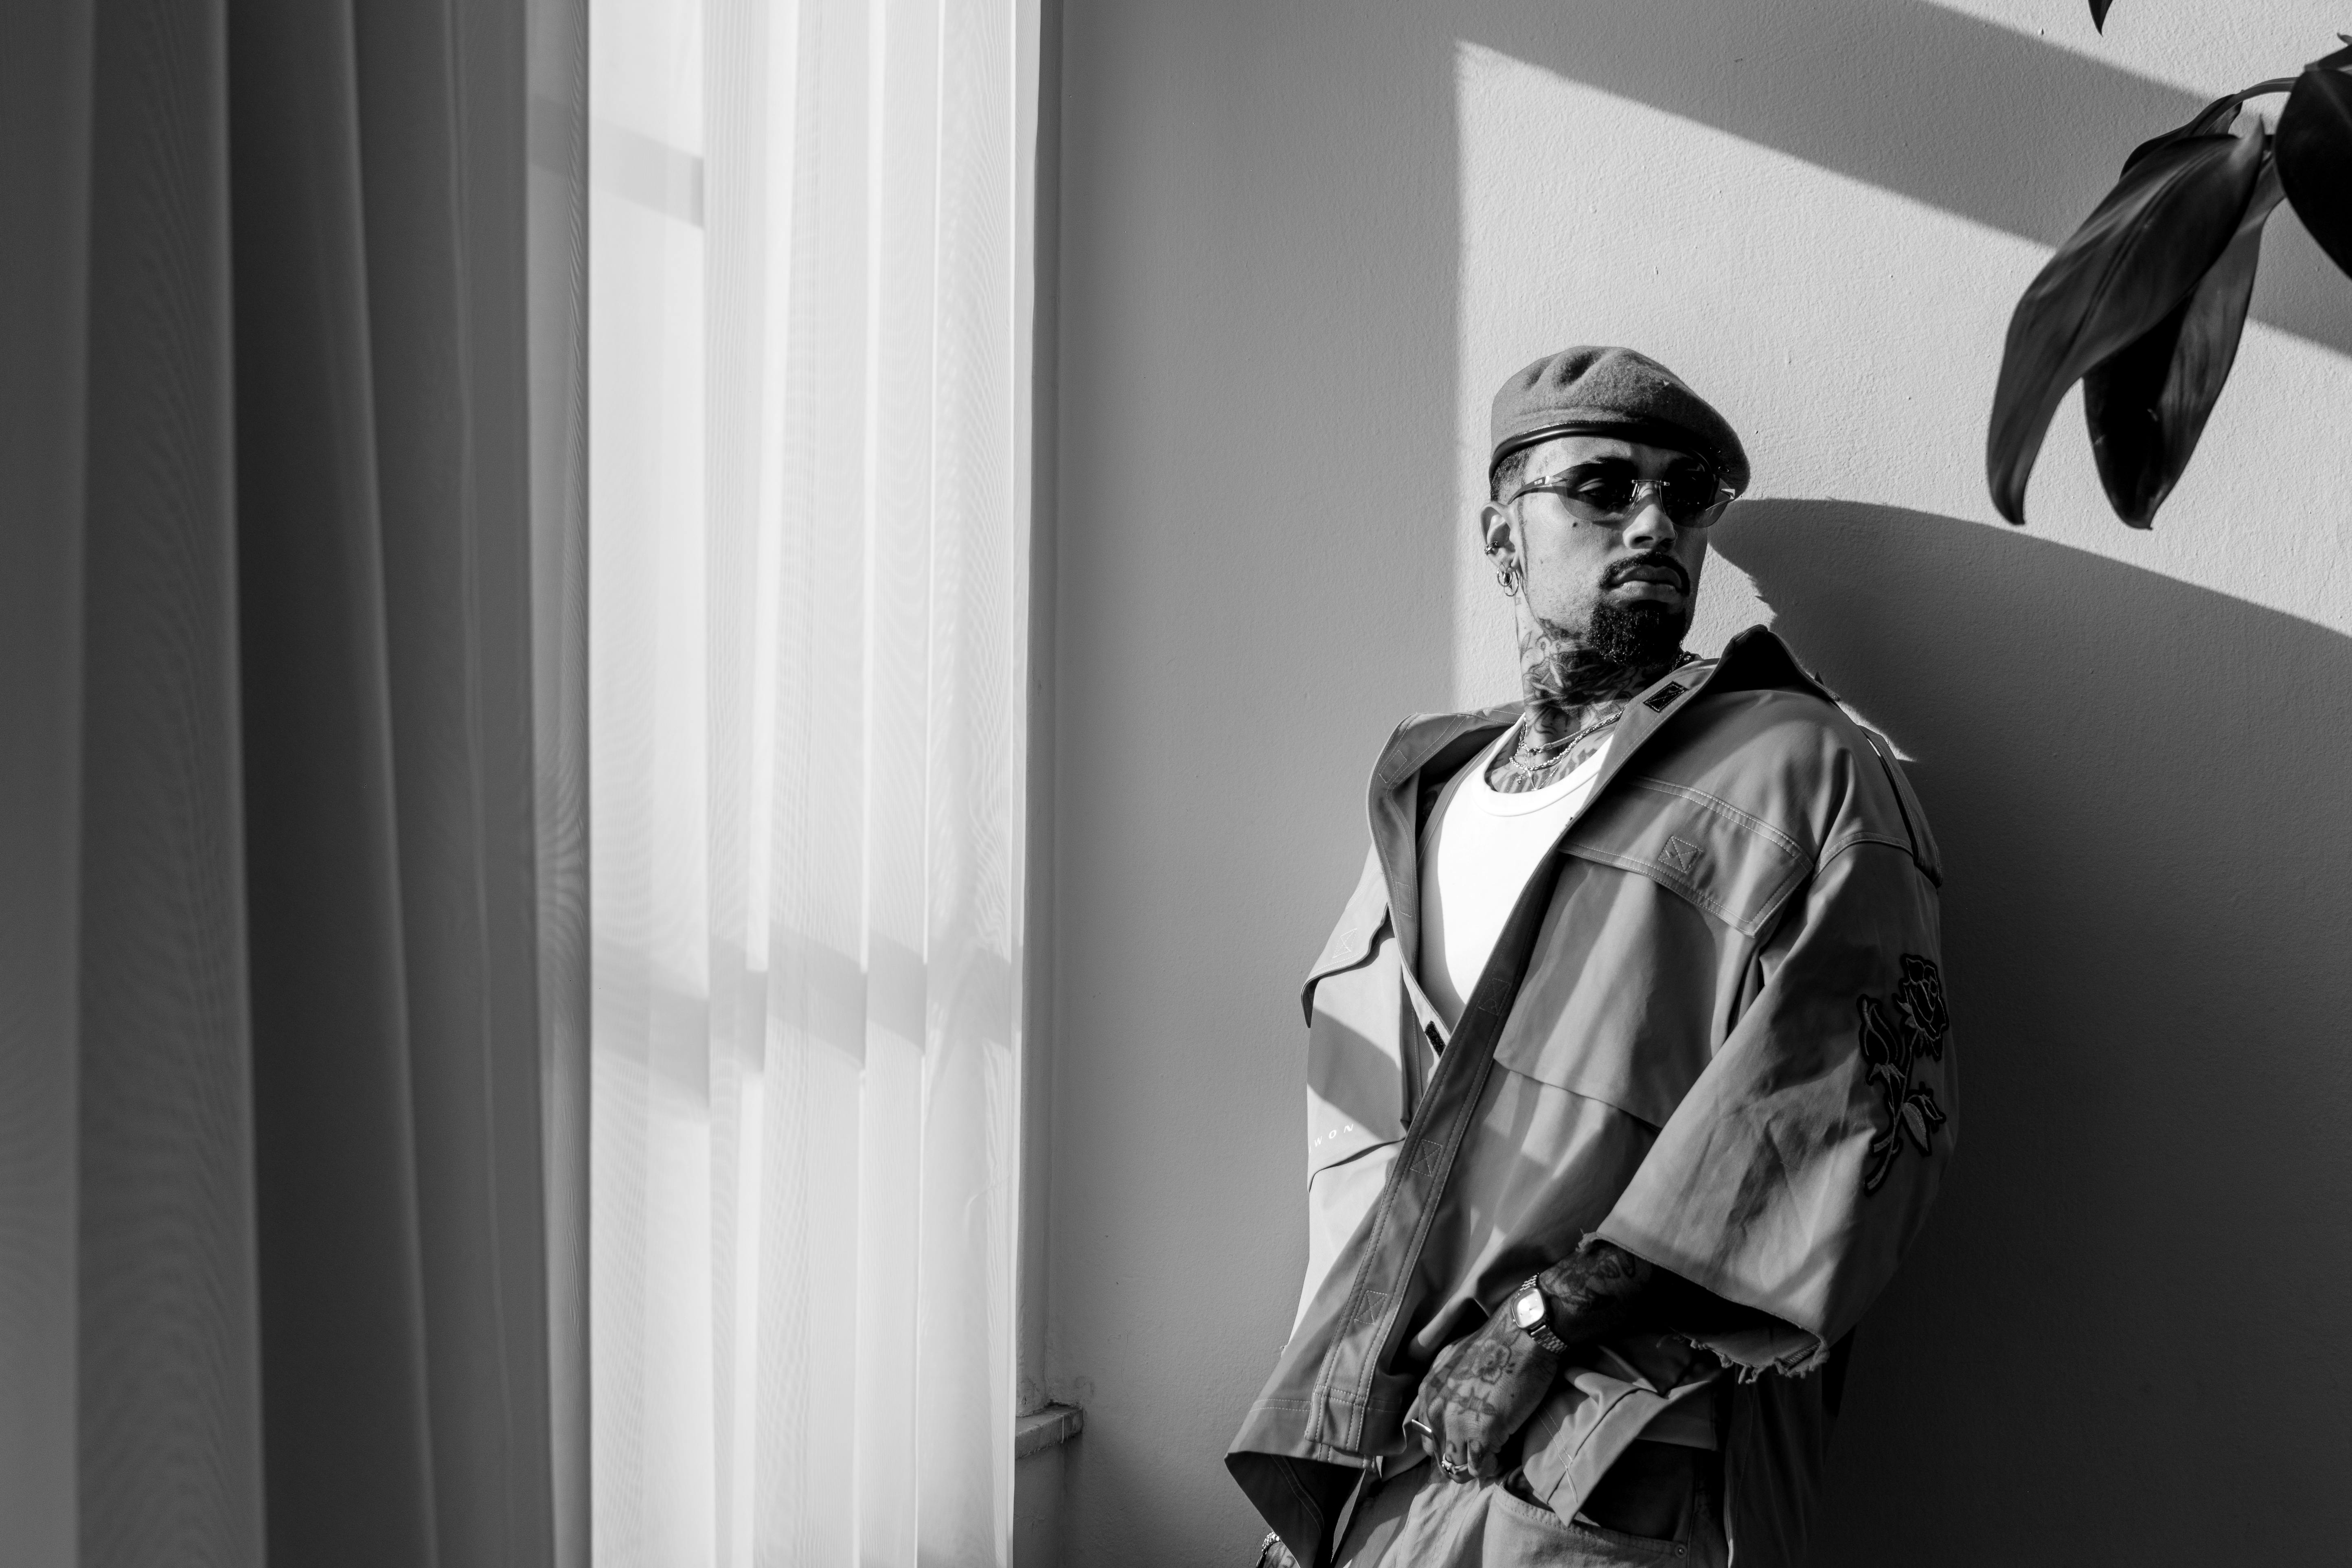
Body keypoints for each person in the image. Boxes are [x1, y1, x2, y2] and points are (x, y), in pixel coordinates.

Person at [1227, 347, 1955, 1568]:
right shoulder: (1426, 795)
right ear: (1502, 534)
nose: (1653, 522)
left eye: (1683, 496)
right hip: (1372, 1457)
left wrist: (1539, 1320)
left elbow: (1843, 1104)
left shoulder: (1799, 768)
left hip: (1611, 1454)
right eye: (1601, 489)